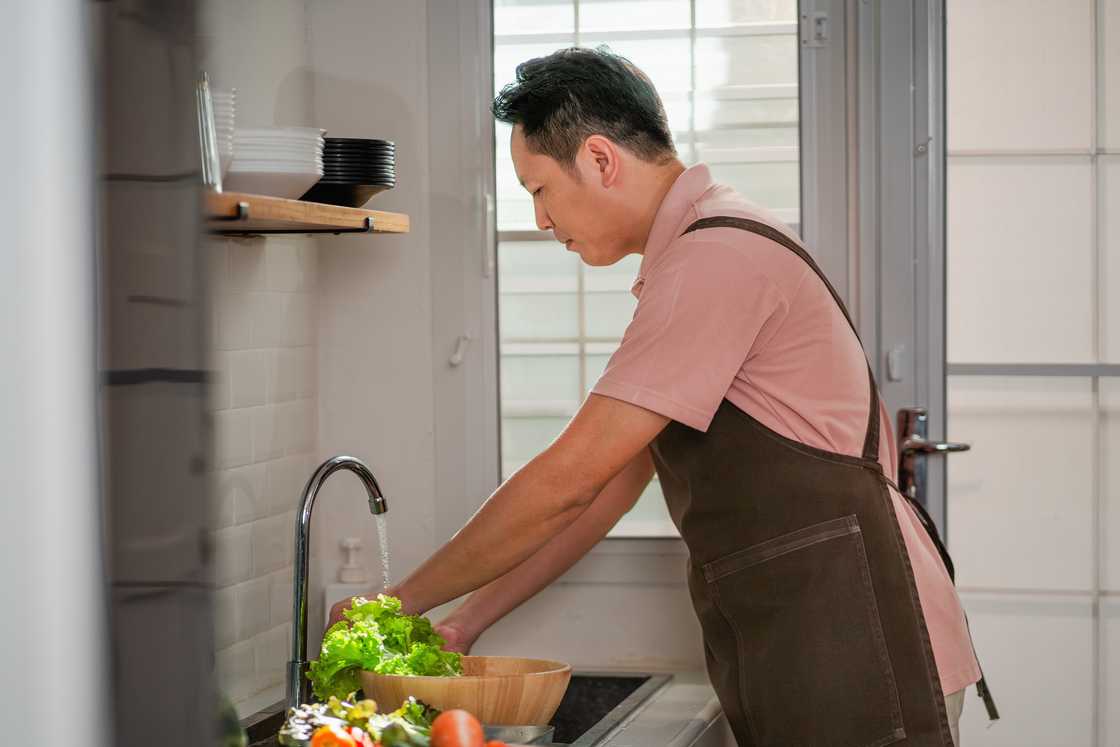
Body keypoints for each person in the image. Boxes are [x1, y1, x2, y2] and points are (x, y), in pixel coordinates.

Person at [330, 46, 994, 746]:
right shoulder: (696, 255)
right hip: (823, 641)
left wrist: (394, 602)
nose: (542, 221)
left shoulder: (713, 261)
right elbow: (605, 490)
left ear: (600, 159)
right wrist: (467, 618)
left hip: (863, 645)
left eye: (539, 189)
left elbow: (567, 482)